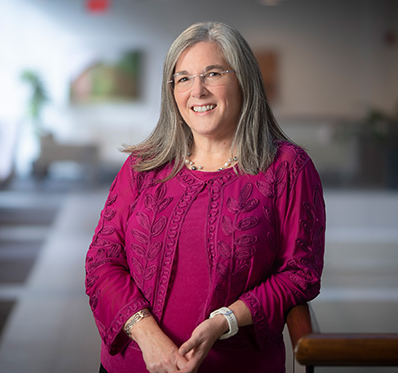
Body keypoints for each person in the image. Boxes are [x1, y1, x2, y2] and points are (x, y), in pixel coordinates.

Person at [85, 21, 326, 373]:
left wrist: (225, 321)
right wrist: (149, 338)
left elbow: (299, 273)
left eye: (212, 73)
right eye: (183, 78)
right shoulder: (143, 166)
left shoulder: (288, 168)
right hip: (136, 365)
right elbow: (102, 262)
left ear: (243, 79)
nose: (197, 91)